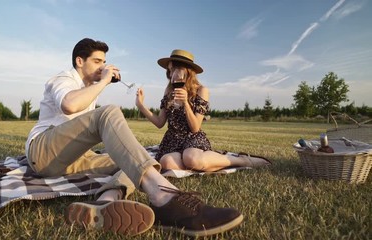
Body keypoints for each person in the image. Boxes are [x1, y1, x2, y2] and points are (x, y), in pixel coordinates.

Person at [25, 38, 244, 237]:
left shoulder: (89, 88)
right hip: (43, 152)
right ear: (79, 61)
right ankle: (165, 197)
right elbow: (70, 105)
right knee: (109, 111)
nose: (103, 67)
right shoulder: (63, 79)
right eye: (97, 61)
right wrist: (103, 82)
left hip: (74, 159)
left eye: (105, 62)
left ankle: (106, 202)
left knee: (133, 161)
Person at [136, 49, 271, 172]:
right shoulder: (169, 90)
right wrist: (141, 105)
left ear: (187, 71)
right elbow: (160, 122)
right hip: (172, 140)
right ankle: (205, 162)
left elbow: (195, 128)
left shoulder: (201, 91)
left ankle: (240, 160)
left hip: (192, 138)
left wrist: (186, 104)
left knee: (191, 159)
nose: (171, 74)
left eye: (175, 70)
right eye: (170, 71)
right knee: (166, 162)